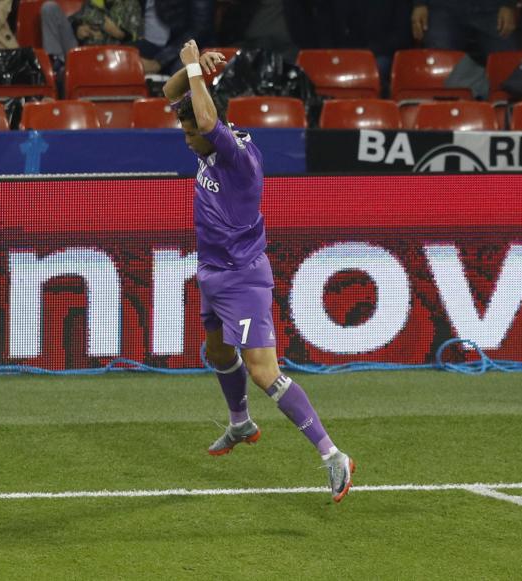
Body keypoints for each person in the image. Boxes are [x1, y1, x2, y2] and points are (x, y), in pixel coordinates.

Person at [162, 40, 355, 503]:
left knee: (264, 370)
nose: (186, 139)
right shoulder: (212, 145)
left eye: (190, 134)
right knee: (216, 350)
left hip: (242, 278)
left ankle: (333, 456)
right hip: (212, 273)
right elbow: (176, 97)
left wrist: (194, 70)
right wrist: (193, 72)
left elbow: (203, 119)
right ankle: (240, 423)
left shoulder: (238, 156)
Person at [411, 0, 517, 65]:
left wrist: (508, 4)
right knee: (441, 62)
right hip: (443, 7)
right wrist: (419, 3)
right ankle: (446, 100)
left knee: (508, 65)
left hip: (493, 8)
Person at [39, 0, 144, 65]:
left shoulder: (132, 4)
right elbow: (73, 19)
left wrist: (119, 34)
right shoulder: (93, 2)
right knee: (49, 8)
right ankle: (57, 64)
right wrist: (78, 28)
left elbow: (136, 39)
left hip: (113, 60)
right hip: (80, 54)